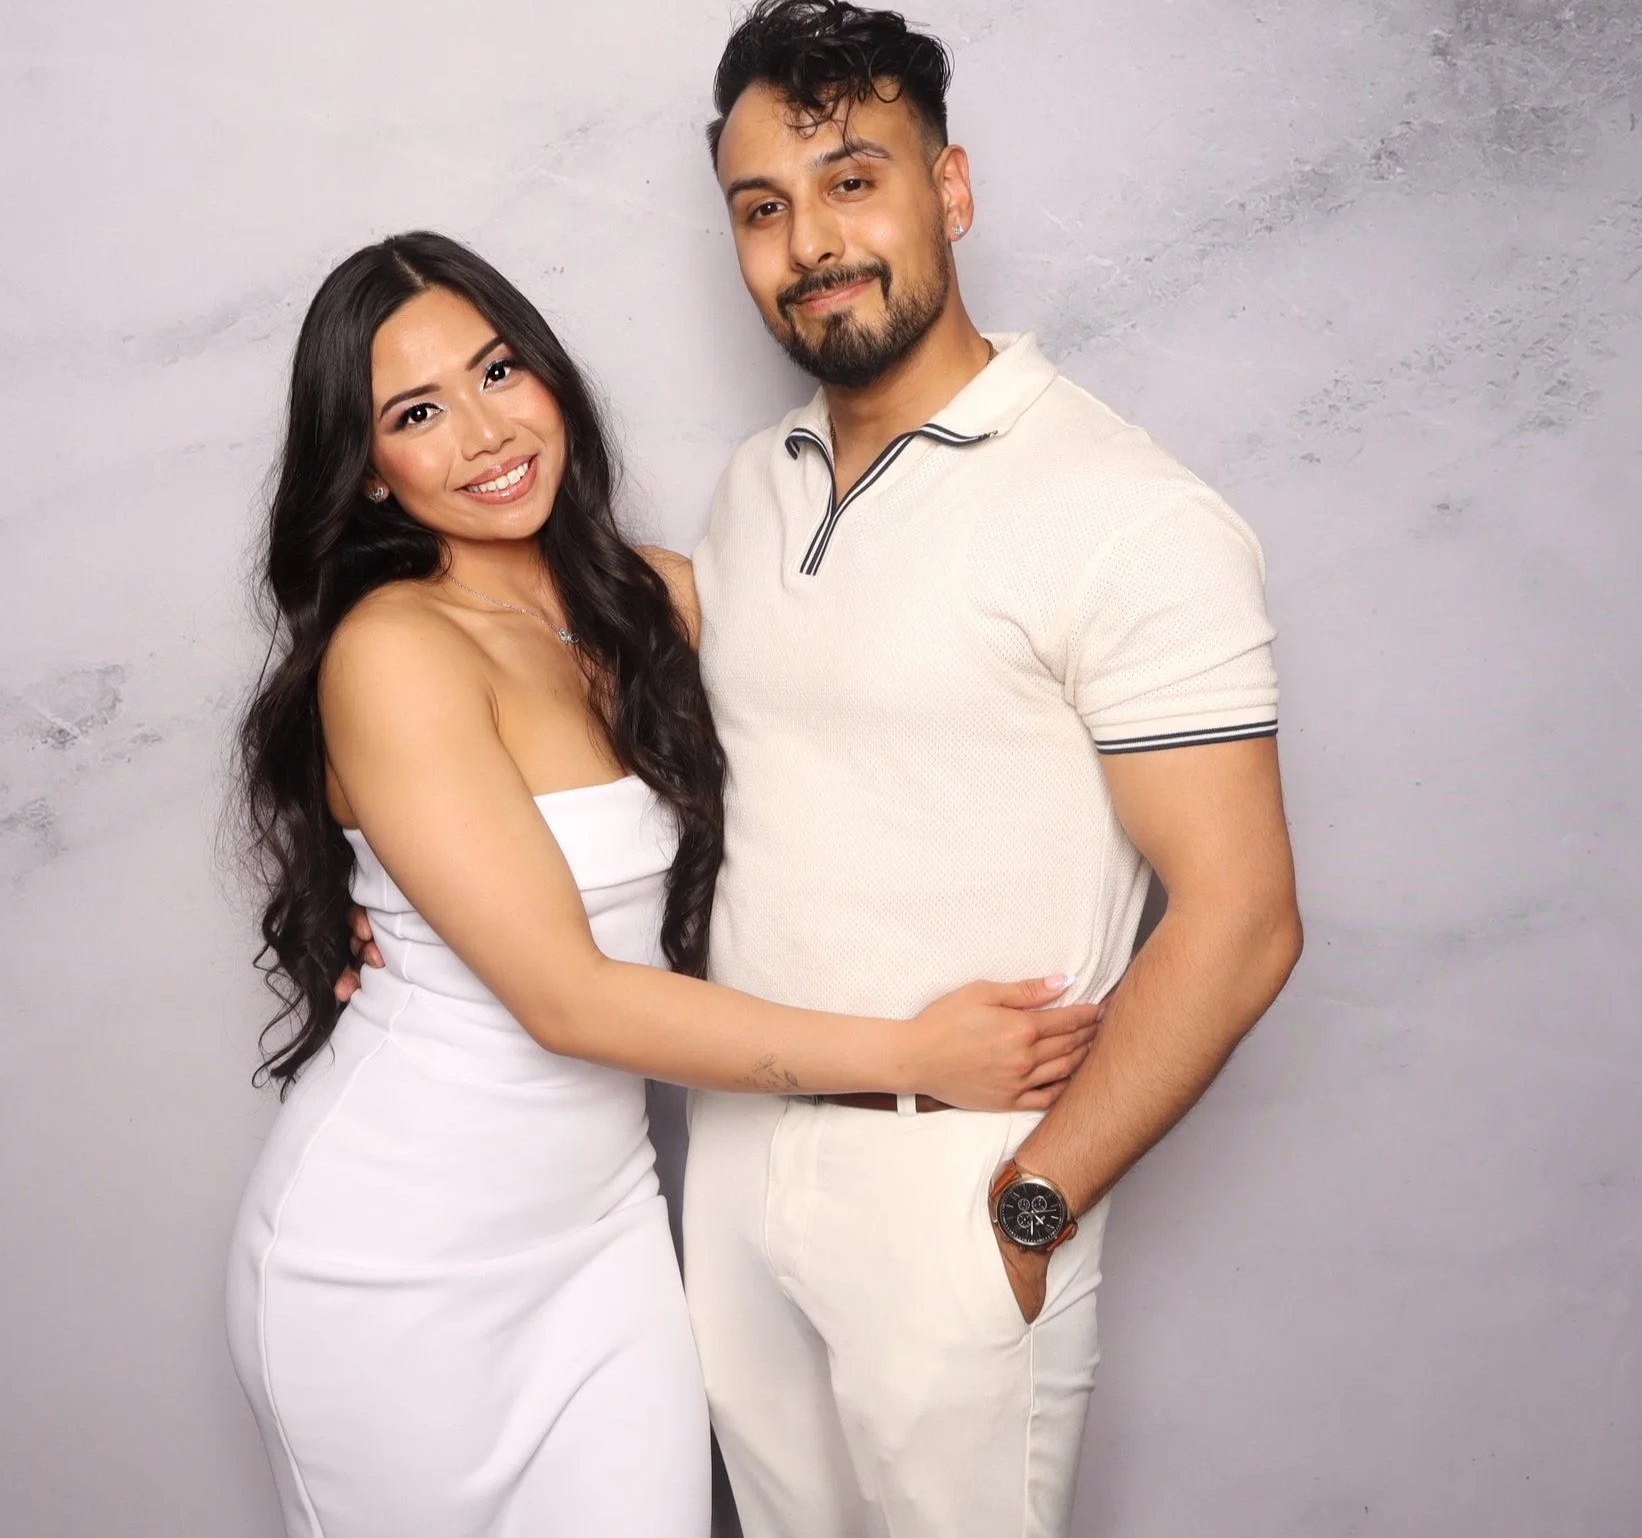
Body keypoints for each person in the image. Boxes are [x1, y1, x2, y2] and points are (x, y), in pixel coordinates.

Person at [225, 231, 1102, 1538]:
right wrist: (912, 1058)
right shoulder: (395, 650)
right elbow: (572, 1002)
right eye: (417, 413)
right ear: (370, 477)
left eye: (499, 371)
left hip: (600, 1235)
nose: (481, 434)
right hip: (393, 1262)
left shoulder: (657, 604)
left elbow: (880, 696)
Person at [671, 0, 1306, 1538]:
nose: (811, 240)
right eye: (765, 207)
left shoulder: (1124, 513)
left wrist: (1026, 1215)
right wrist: (390, 920)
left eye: (854, 179)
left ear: (950, 189)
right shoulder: (758, 489)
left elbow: (1242, 920)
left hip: (954, 1193)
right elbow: (542, 630)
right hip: (740, 1162)